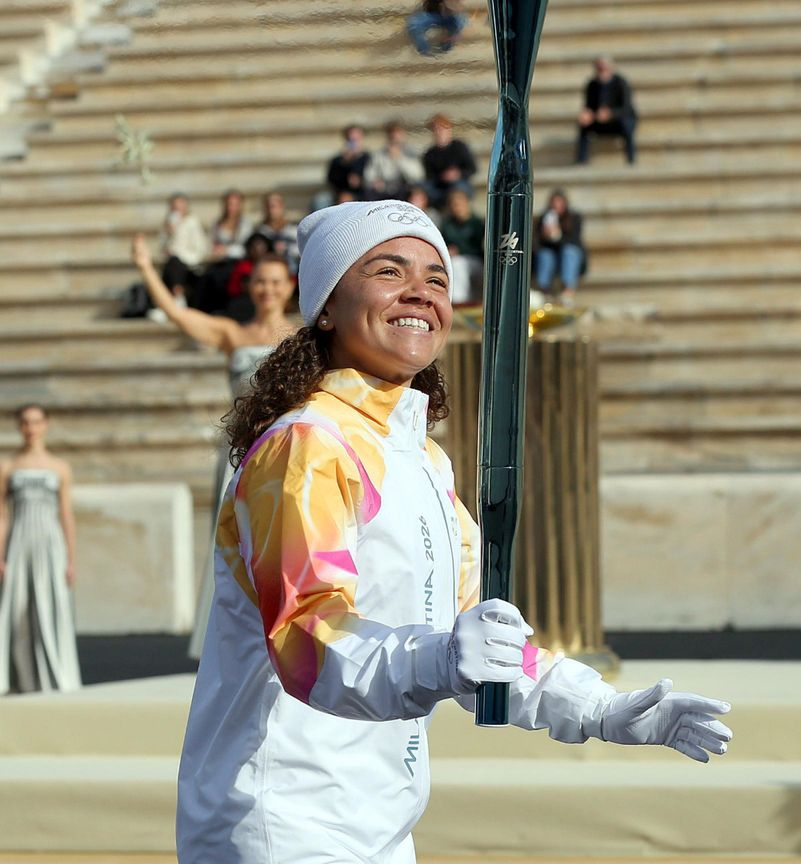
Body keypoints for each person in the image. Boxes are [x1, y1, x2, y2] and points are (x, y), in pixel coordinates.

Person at [176, 200, 733, 862]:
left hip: (378, 816)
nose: (421, 292)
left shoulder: (423, 460)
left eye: (437, 279)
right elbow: (306, 636)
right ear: (325, 305)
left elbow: (478, 629)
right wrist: (438, 660)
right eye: (389, 270)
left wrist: (597, 708)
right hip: (281, 818)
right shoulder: (306, 445)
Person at [131, 234, 296, 660]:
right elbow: (176, 315)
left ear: (290, 285)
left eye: (275, 281)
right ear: (250, 286)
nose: (268, 289)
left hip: (288, 447)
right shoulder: (231, 333)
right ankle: (232, 636)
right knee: (236, 537)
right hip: (240, 449)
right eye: (261, 281)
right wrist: (147, 267)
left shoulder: (303, 334)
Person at [0, 405, 82, 695]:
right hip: (19, 542)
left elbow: (66, 514)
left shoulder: (60, 467)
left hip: (50, 543)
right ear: (19, 426)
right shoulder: (7, 467)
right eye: (26, 422)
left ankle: (57, 676)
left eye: (36, 422)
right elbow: (1, 513)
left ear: (45, 425)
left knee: (52, 606)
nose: (31, 428)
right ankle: (21, 679)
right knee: (17, 611)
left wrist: (70, 557)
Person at [194, 189, 255, 315]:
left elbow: (245, 247)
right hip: (219, 262)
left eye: (234, 204)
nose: (231, 207)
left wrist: (226, 250)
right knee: (207, 276)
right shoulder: (217, 224)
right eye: (229, 204)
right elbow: (210, 243)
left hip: (237, 261)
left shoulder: (245, 224)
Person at [575, 56, 637, 165]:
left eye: (604, 68)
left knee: (627, 125)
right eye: (599, 68)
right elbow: (588, 106)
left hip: (618, 121)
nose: (602, 71)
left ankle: (631, 160)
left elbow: (626, 108)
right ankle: (581, 160)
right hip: (599, 121)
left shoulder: (621, 83)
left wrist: (611, 114)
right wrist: (588, 114)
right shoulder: (592, 85)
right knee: (583, 126)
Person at [533, 188, 586, 305]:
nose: (556, 206)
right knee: (545, 255)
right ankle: (544, 290)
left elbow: (574, 241)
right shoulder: (543, 219)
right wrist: (544, 235)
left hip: (568, 256)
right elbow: (537, 244)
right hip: (551, 256)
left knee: (569, 252)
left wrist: (557, 236)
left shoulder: (574, 218)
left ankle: (568, 291)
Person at [420, 113, 476, 209]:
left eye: (441, 129)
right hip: (439, 187)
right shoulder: (430, 153)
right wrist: (442, 177)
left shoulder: (459, 147)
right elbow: (429, 177)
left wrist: (457, 174)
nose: (439, 132)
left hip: (459, 184)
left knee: (458, 189)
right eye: (436, 129)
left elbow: (472, 168)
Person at [439, 187, 484, 305]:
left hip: (476, 262)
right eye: (453, 205)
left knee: (458, 264)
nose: (457, 207)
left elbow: (479, 248)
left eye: (459, 204)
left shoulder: (476, 223)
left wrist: (460, 250)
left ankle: (460, 302)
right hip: (454, 261)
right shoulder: (447, 224)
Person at [365, 120, 425, 201]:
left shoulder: (410, 152)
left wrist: (399, 158)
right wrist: (375, 182)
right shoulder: (379, 154)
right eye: (392, 134)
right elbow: (369, 175)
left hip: (404, 189)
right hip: (384, 190)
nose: (394, 137)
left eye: (397, 134)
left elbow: (417, 175)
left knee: (416, 194)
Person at [318, 124, 370, 210]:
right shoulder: (338, 160)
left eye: (356, 139)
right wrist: (345, 163)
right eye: (350, 139)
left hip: (363, 193)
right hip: (340, 193)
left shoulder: (368, 158)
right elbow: (331, 179)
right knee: (321, 200)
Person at [254, 191, 301, 274]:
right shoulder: (260, 232)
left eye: (274, 206)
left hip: (293, 272)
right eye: (268, 207)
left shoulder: (293, 229)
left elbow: (300, 251)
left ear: (282, 207)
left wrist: (285, 249)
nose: (271, 210)